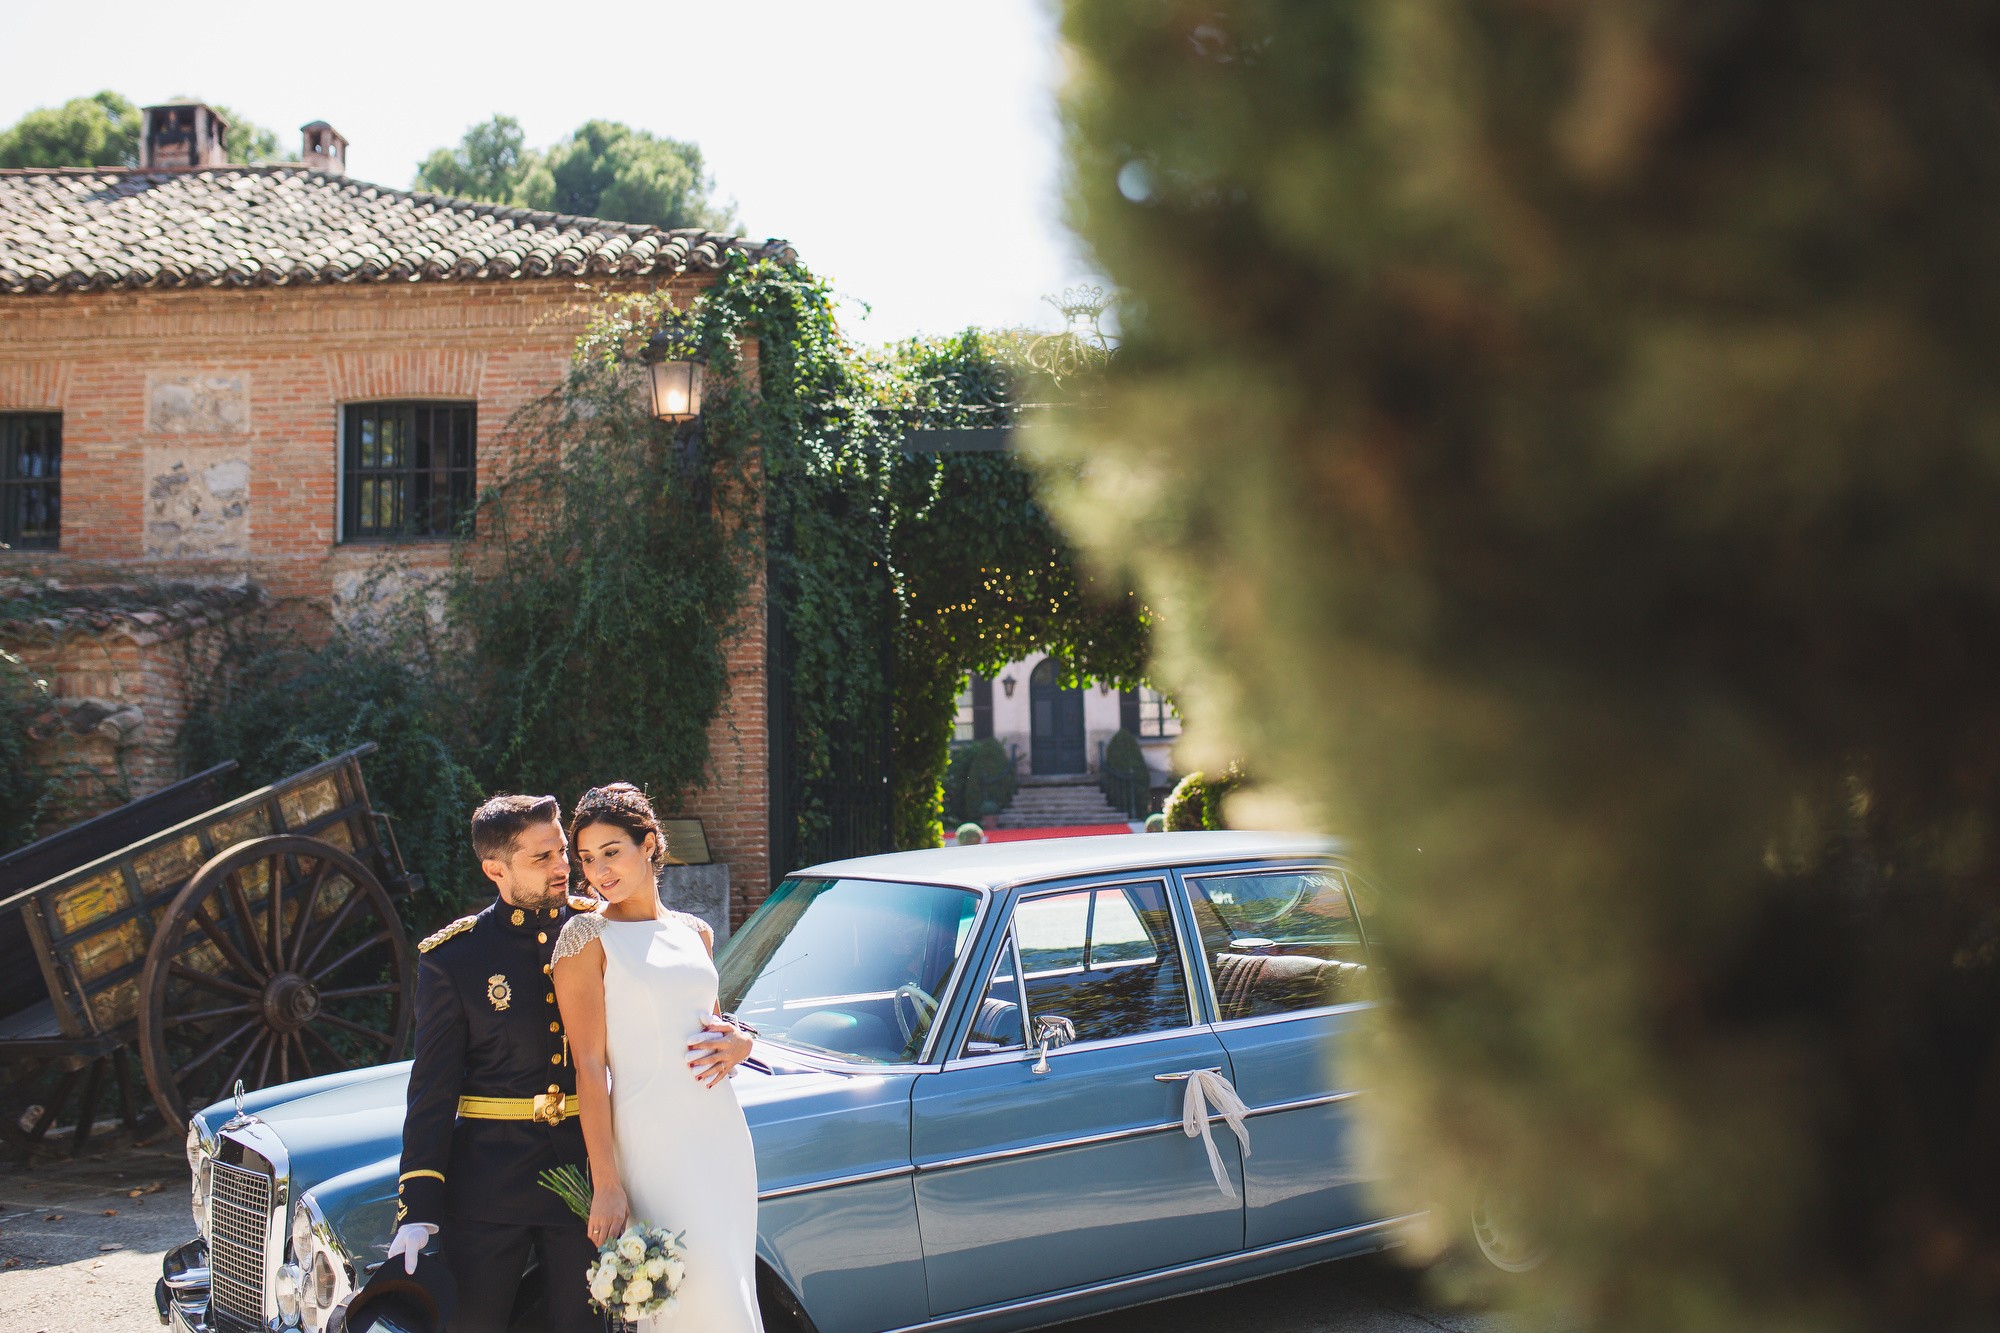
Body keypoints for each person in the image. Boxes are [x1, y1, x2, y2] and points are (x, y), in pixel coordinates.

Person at [385, 794, 598, 1333]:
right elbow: (431, 1090)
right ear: (494, 869)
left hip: (587, 1172)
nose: (561, 867)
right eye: (541, 858)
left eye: (561, 852)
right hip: (489, 1185)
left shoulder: (603, 930)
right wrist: (419, 1205)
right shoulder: (454, 957)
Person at [553, 783, 761, 1331]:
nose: (599, 871)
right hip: (652, 1143)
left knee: (731, 1294)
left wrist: (744, 1042)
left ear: (648, 844)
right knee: (688, 1302)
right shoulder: (585, 938)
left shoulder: (695, 932)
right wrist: (606, 1183)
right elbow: (589, 1069)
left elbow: (712, 1025)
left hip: (721, 1137)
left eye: (611, 852)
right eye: (588, 859)